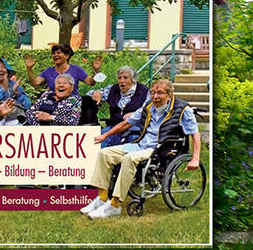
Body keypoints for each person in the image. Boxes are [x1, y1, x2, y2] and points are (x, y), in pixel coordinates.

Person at [81, 79, 202, 219]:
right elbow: (127, 123)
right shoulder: (148, 106)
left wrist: (195, 158)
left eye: (160, 93)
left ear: (169, 95)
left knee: (129, 158)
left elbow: (195, 133)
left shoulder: (183, 109)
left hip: (160, 148)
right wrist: (105, 135)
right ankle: (101, 199)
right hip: (140, 144)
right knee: (104, 153)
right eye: (153, 92)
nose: (155, 96)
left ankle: (115, 205)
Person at [89, 65, 148, 147]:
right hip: (114, 126)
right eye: (119, 78)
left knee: (131, 144)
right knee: (97, 141)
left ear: (133, 79)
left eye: (125, 78)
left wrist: (135, 114)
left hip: (134, 127)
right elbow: (90, 94)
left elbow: (149, 109)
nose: (121, 81)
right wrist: (96, 93)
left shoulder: (144, 92)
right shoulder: (112, 89)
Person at [23, 43, 103, 91]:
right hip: (53, 103)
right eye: (53, 53)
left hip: (72, 104)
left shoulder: (76, 69)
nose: (55, 55)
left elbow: (91, 82)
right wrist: (29, 69)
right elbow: (35, 83)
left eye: (58, 53)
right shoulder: (49, 71)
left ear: (67, 56)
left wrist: (96, 70)